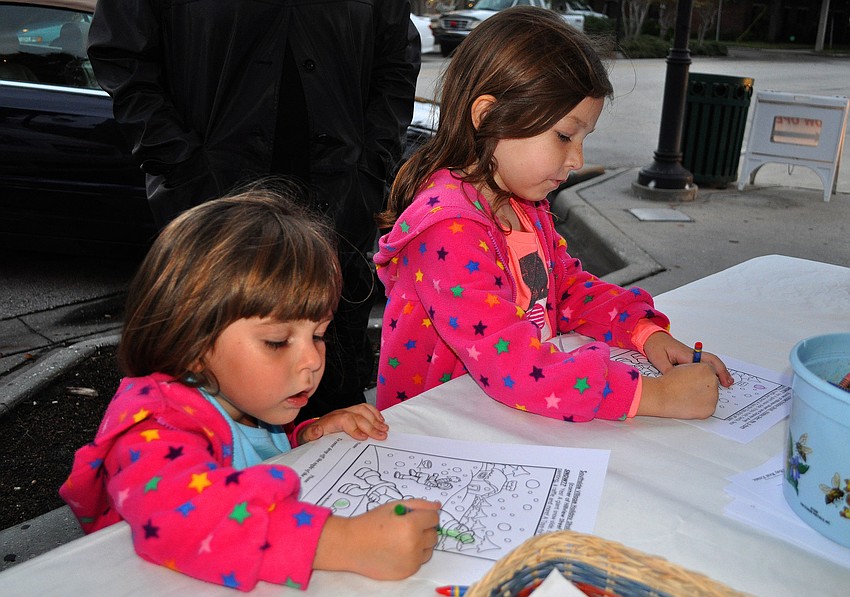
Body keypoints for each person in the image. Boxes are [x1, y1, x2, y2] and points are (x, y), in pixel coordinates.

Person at [60, 189, 439, 591]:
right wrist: (347, 542)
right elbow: (188, 517)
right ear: (193, 342)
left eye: (318, 335)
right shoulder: (151, 429)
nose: (312, 360)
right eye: (277, 341)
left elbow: (244, 449)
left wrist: (303, 437)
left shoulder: (243, 396)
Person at [374, 7, 734, 422]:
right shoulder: (448, 230)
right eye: (564, 136)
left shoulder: (525, 207)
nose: (577, 159)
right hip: (442, 434)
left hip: (511, 421)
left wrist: (643, 332)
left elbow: (566, 290)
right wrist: (657, 396)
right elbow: (514, 366)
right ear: (488, 116)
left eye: (582, 139)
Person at [86, 0, 421, 421]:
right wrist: (181, 163)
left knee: (332, 397)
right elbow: (122, 57)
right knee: (208, 398)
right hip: (213, 208)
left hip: (340, 208)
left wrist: (372, 162)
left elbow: (396, 60)